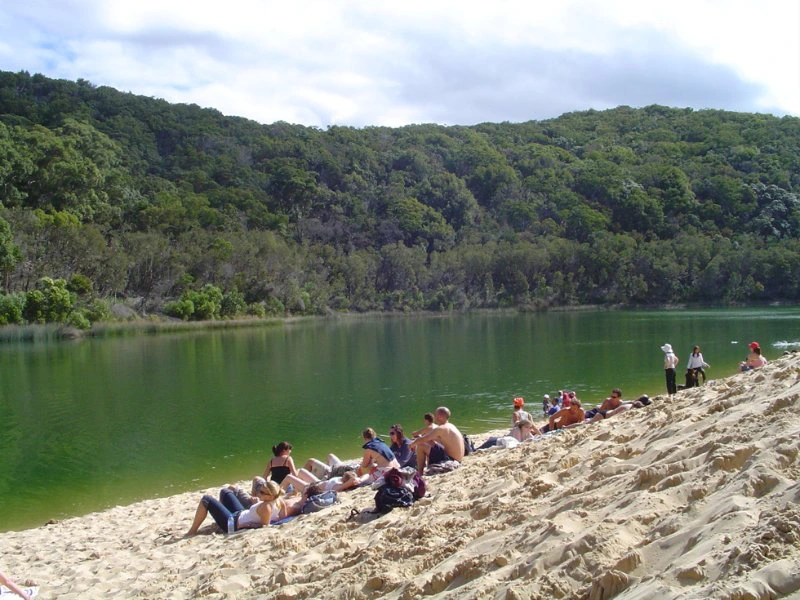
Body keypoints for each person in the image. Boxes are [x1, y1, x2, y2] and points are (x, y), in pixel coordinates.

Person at [187, 479, 286, 536]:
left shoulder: (266, 507)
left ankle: (192, 532)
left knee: (206, 499)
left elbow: (264, 527)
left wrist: (247, 525)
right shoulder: (279, 500)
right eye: (259, 490)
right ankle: (220, 519)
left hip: (232, 524)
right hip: (241, 514)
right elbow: (283, 516)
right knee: (225, 492)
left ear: (270, 496)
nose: (258, 493)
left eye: (262, 492)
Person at [409, 406, 465, 474]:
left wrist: (412, 444)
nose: (434, 417)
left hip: (451, 460)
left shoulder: (441, 428)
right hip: (458, 459)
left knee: (421, 445)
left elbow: (423, 439)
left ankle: (420, 473)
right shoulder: (451, 426)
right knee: (429, 442)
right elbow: (430, 439)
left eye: (436, 415)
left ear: (440, 416)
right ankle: (423, 468)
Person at [281, 469, 366, 495]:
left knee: (288, 477)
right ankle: (295, 491)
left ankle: (277, 495)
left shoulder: (339, 486)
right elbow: (366, 475)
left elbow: (352, 481)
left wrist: (356, 480)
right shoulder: (340, 479)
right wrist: (359, 478)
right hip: (317, 482)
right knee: (301, 471)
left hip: (311, 489)